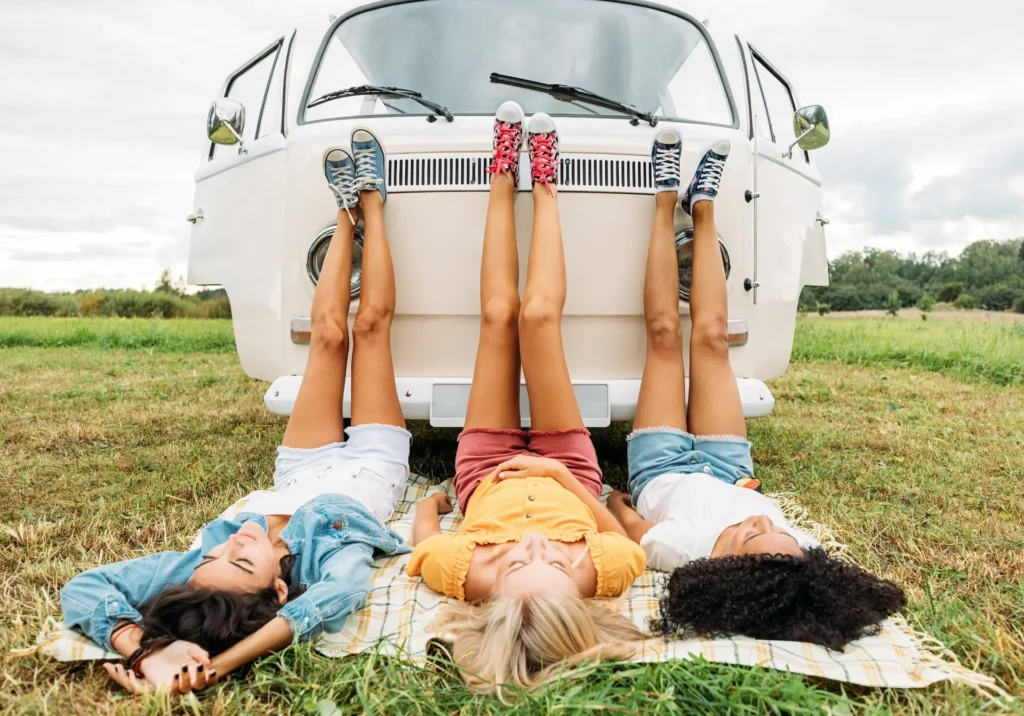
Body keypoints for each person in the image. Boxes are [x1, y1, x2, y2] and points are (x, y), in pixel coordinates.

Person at [60, 130, 413, 693]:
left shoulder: (198, 571)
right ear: (278, 592)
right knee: (368, 330)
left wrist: (142, 647)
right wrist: (221, 666)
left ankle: (345, 213)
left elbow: (84, 586)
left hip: (300, 467)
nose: (236, 541)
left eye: (221, 552)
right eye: (244, 561)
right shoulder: (327, 562)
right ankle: (372, 198)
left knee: (326, 336)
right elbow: (338, 598)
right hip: (368, 468)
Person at [608, 131, 906, 650]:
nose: (764, 519)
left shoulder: (678, 548)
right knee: (712, 340)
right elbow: (809, 573)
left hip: (660, 466)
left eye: (750, 532)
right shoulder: (798, 557)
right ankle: (702, 208)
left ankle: (663, 200)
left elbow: (627, 523)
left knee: (662, 337)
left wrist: (610, 495)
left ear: (724, 566)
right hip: (730, 467)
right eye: (781, 531)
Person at [408, 102, 647, 697]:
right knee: (539, 319)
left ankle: (502, 172)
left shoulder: (463, 578)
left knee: (498, 317)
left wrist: (436, 502)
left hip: (485, 470)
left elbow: (424, 540)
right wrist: (559, 478)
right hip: (568, 469)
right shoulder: (607, 575)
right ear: (582, 594)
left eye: (516, 563)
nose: (535, 547)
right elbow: (619, 534)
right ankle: (545, 182)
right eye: (560, 563)